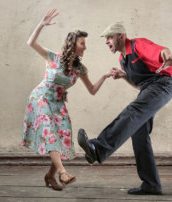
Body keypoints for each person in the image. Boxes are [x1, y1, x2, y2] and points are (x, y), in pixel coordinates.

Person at [78, 23, 172, 195]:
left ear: (121, 36)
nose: (106, 42)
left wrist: (168, 57)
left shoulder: (137, 45)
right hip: (149, 89)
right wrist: (123, 76)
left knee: (133, 111)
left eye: (109, 37)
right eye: (105, 39)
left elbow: (161, 50)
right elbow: (140, 85)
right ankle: (151, 184)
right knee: (138, 132)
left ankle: (99, 148)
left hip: (164, 84)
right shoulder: (122, 60)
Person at [21, 9, 112, 191]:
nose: (85, 47)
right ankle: (63, 173)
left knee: (63, 137)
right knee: (49, 133)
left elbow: (92, 90)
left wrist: (105, 76)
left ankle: (49, 176)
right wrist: (41, 24)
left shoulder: (80, 69)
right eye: (82, 43)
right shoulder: (53, 57)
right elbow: (31, 42)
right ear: (73, 43)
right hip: (41, 98)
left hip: (57, 103)